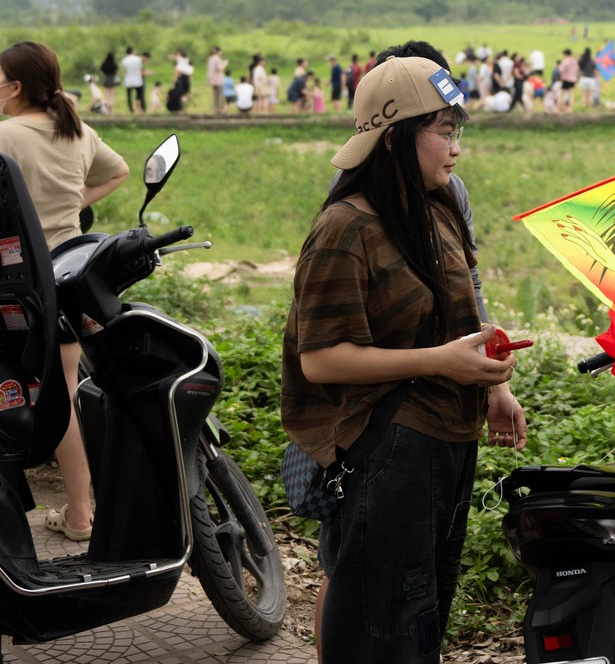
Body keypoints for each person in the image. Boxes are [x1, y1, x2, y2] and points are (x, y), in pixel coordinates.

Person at [281, 56, 521, 662]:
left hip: (446, 444)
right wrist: (440, 361)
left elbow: (456, 316)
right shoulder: (345, 227)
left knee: (420, 621)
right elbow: (323, 360)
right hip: (388, 452)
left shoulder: (437, 211)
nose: (455, 148)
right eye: (443, 131)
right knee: (383, 629)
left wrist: (489, 368)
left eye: (456, 131)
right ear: (394, 138)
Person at [0, 40, 130, 541]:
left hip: (11, 289)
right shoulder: (77, 131)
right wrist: (73, 201)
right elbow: (120, 171)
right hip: (67, 279)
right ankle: (79, 513)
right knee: (61, 393)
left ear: (15, 86)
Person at [120, 46, 146, 113]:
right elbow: (140, 70)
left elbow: (125, 71)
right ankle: (142, 109)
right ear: (132, 51)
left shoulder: (124, 60)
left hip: (128, 80)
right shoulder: (138, 59)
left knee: (129, 96)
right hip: (138, 79)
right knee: (140, 95)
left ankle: (131, 109)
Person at [207, 47, 228, 115]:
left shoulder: (210, 59)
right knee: (220, 95)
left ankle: (215, 109)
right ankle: (222, 109)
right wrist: (225, 63)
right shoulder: (217, 59)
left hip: (212, 79)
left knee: (215, 95)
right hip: (218, 79)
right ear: (218, 52)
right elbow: (219, 68)